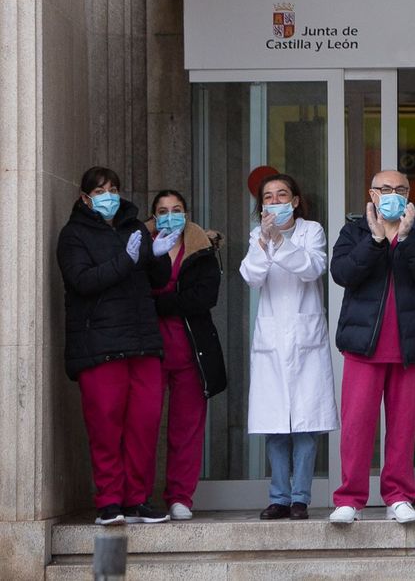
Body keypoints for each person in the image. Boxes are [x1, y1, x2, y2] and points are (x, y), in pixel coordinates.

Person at [56, 166, 176, 525]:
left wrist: (157, 255)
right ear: (85, 197)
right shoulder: (73, 235)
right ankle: (109, 501)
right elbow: (82, 281)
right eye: (100, 190)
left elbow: (157, 281)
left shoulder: (134, 226)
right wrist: (126, 260)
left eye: (113, 188)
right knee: (106, 425)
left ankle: (137, 499)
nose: (109, 195)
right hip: (100, 345)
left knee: (144, 423)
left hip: (142, 341)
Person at [328, 169, 415, 524]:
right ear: (372, 193)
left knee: (402, 425)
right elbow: (342, 273)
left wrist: (407, 239)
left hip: (409, 345)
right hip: (364, 344)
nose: (392, 194)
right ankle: (350, 499)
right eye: (385, 188)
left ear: (409, 193)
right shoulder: (355, 230)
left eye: (400, 189)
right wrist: (375, 241)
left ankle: (398, 496)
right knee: (357, 425)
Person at [239, 173, 338, 520]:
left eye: (283, 195)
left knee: (306, 427)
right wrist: (265, 244)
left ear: (295, 201)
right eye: (269, 197)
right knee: (276, 429)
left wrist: (280, 241)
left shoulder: (311, 231)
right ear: (262, 205)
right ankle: (278, 497)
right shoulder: (257, 235)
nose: (276, 202)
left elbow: (311, 269)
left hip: (305, 340)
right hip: (271, 342)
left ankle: (301, 498)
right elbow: (252, 277)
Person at [144, 189, 227, 520]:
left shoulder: (202, 250)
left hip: (193, 351)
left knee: (187, 428)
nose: (170, 215)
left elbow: (204, 297)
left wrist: (161, 303)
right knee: (143, 426)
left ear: (187, 213)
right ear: (153, 216)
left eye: (176, 209)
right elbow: (135, 294)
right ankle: (139, 495)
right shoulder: (141, 248)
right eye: (163, 210)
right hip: (148, 350)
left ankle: (180, 497)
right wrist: (176, 298)